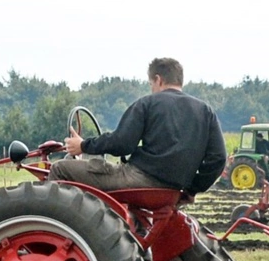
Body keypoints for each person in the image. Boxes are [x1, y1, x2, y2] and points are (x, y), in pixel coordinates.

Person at [50, 58, 226, 197]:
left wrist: (83, 145)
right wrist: (192, 188)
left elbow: (122, 144)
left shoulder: (147, 104)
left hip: (140, 180)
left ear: (158, 79)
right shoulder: (205, 111)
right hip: (175, 188)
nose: (151, 89)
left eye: (151, 84)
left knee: (60, 168)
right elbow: (218, 158)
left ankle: (50, 228)